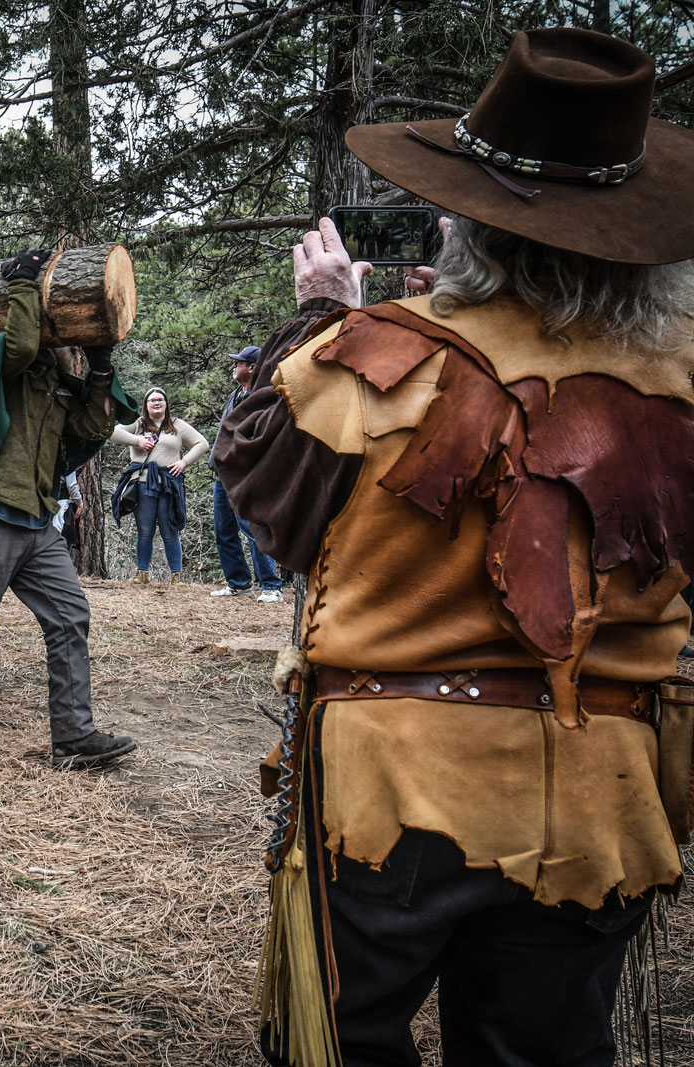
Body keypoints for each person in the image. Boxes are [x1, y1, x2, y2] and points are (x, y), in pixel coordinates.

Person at [218, 28, 694, 1067]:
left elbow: (269, 496)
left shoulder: (382, 353)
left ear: (469, 222)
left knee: (340, 1043)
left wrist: (321, 317)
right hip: (602, 796)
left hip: (390, 792)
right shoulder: (683, 381)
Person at [0, 248, 138, 768]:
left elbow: (92, 427)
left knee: (69, 616)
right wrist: (22, 283)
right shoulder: (2, 357)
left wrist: (100, 367)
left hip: (38, 521)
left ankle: (74, 736)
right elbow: (20, 342)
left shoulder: (59, 383)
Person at [109, 387, 207, 584]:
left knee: (169, 529)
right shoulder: (138, 425)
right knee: (145, 530)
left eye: (160, 399)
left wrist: (183, 462)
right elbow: (112, 431)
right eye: (152, 400)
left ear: (166, 404)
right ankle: (142, 573)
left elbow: (202, 443)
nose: (156, 403)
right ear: (146, 405)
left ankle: (176, 575)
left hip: (168, 484)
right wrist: (137, 440)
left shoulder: (177, 425)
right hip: (142, 484)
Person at [208, 347, 282, 603]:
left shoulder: (263, 397)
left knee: (252, 528)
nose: (234, 366)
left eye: (238, 362)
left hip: (245, 475)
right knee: (224, 531)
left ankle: (272, 586)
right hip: (223, 475)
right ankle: (238, 583)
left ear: (251, 367)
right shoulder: (235, 395)